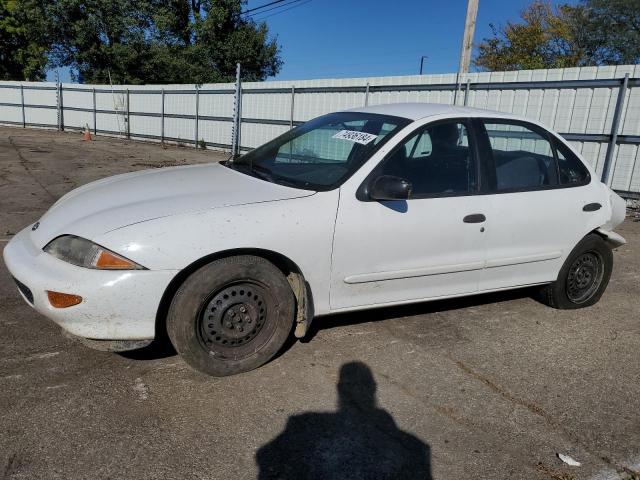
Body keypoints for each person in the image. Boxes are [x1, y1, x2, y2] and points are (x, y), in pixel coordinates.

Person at [256, 361, 432, 479]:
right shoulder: (412, 444)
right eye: (350, 386)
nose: (356, 392)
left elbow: (265, 454)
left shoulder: (302, 423)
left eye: (361, 386)